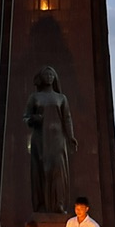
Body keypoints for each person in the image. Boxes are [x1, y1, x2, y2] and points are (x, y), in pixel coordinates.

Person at [23, 65, 77, 213]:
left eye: (51, 75)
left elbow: (67, 118)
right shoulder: (35, 97)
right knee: (41, 170)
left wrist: (70, 136)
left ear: (55, 78)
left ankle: (59, 203)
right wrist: (34, 119)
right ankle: (42, 204)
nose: (49, 77)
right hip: (40, 139)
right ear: (41, 78)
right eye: (46, 75)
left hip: (58, 139)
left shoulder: (61, 98)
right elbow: (26, 117)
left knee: (58, 170)